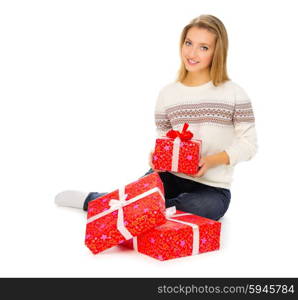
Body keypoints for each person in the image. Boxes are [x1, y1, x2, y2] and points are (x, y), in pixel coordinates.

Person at [55, 14, 257, 221]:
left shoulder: (234, 93)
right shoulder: (167, 94)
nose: (192, 53)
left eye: (203, 47)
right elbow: (165, 138)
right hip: (168, 177)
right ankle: (94, 200)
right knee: (131, 197)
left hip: (212, 189)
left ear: (217, 52)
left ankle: (132, 210)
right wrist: (158, 156)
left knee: (195, 207)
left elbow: (249, 145)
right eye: (188, 43)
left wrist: (211, 161)